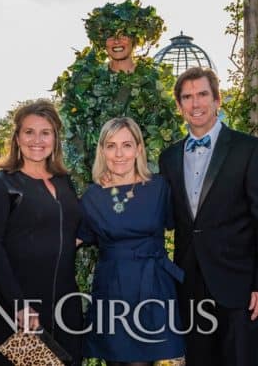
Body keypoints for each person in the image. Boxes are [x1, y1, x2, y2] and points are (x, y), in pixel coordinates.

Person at [158, 67, 258, 366]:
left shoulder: (250, 149)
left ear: (217, 99)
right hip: (190, 289)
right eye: (187, 97)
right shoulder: (169, 158)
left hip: (241, 289)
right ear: (179, 106)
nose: (196, 104)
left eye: (203, 94)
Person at [77, 117, 185, 366]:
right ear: (102, 150)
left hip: (154, 287)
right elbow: (69, 240)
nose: (119, 154)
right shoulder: (93, 196)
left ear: (138, 149)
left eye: (126, 145)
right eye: (111, 145)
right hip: (112, 290)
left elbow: (189, 227)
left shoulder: (160, 187)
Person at [0, 100, 82, 366]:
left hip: (64, 306)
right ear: (17, 137)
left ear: (55, 138)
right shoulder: (2, 184)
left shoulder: (64, 182)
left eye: (45, 132)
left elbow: (76, 226)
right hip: (20, 309)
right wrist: (19, 305)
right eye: (29, 132)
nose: (37, 140)